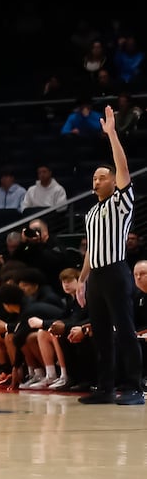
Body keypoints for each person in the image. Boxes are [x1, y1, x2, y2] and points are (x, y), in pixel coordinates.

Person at [75, 106, 142, 405]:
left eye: (102, 176)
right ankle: (104, 387)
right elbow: (90, 249)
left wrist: (112, 134)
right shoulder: (91, 212)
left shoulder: (120, 202)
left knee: (125, 331)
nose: (96, 180)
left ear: (113, 182)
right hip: (97, 277)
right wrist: (81, 280)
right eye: (94, 177)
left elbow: (124, 168)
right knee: (101, 334)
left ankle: (133, 387)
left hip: (116, 272)